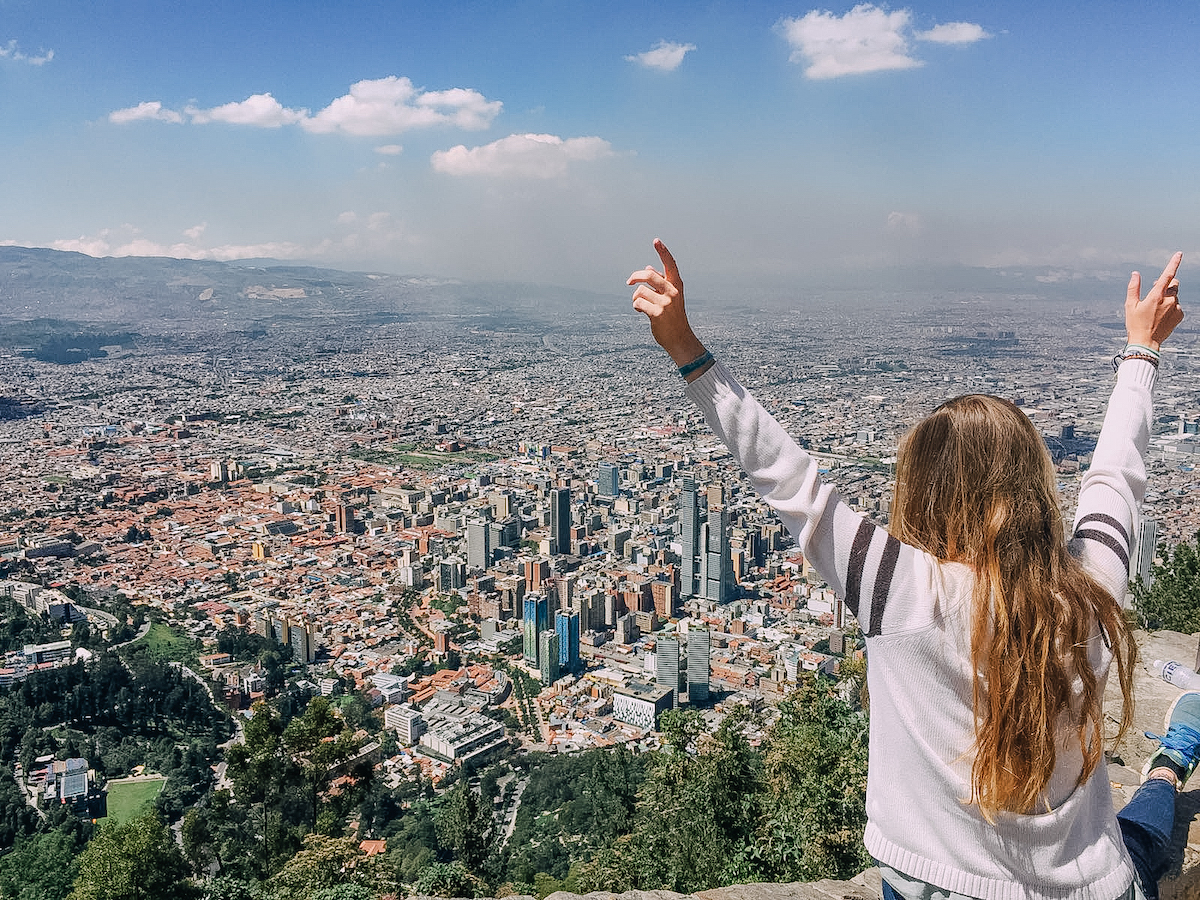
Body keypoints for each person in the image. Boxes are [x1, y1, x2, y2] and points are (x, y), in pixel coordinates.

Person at [628, 239, 1190, 900]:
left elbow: (791, 481)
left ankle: (1170, 764)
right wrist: (1141, 349)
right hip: (1097, 888)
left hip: (933, 887)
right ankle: (1171, 765)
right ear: (1035, 486)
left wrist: (686, 349)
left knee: (1143, 841)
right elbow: (1115, 478)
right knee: (1142, 844)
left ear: (920, 492)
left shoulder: (898, 590)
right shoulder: (1091, 589)